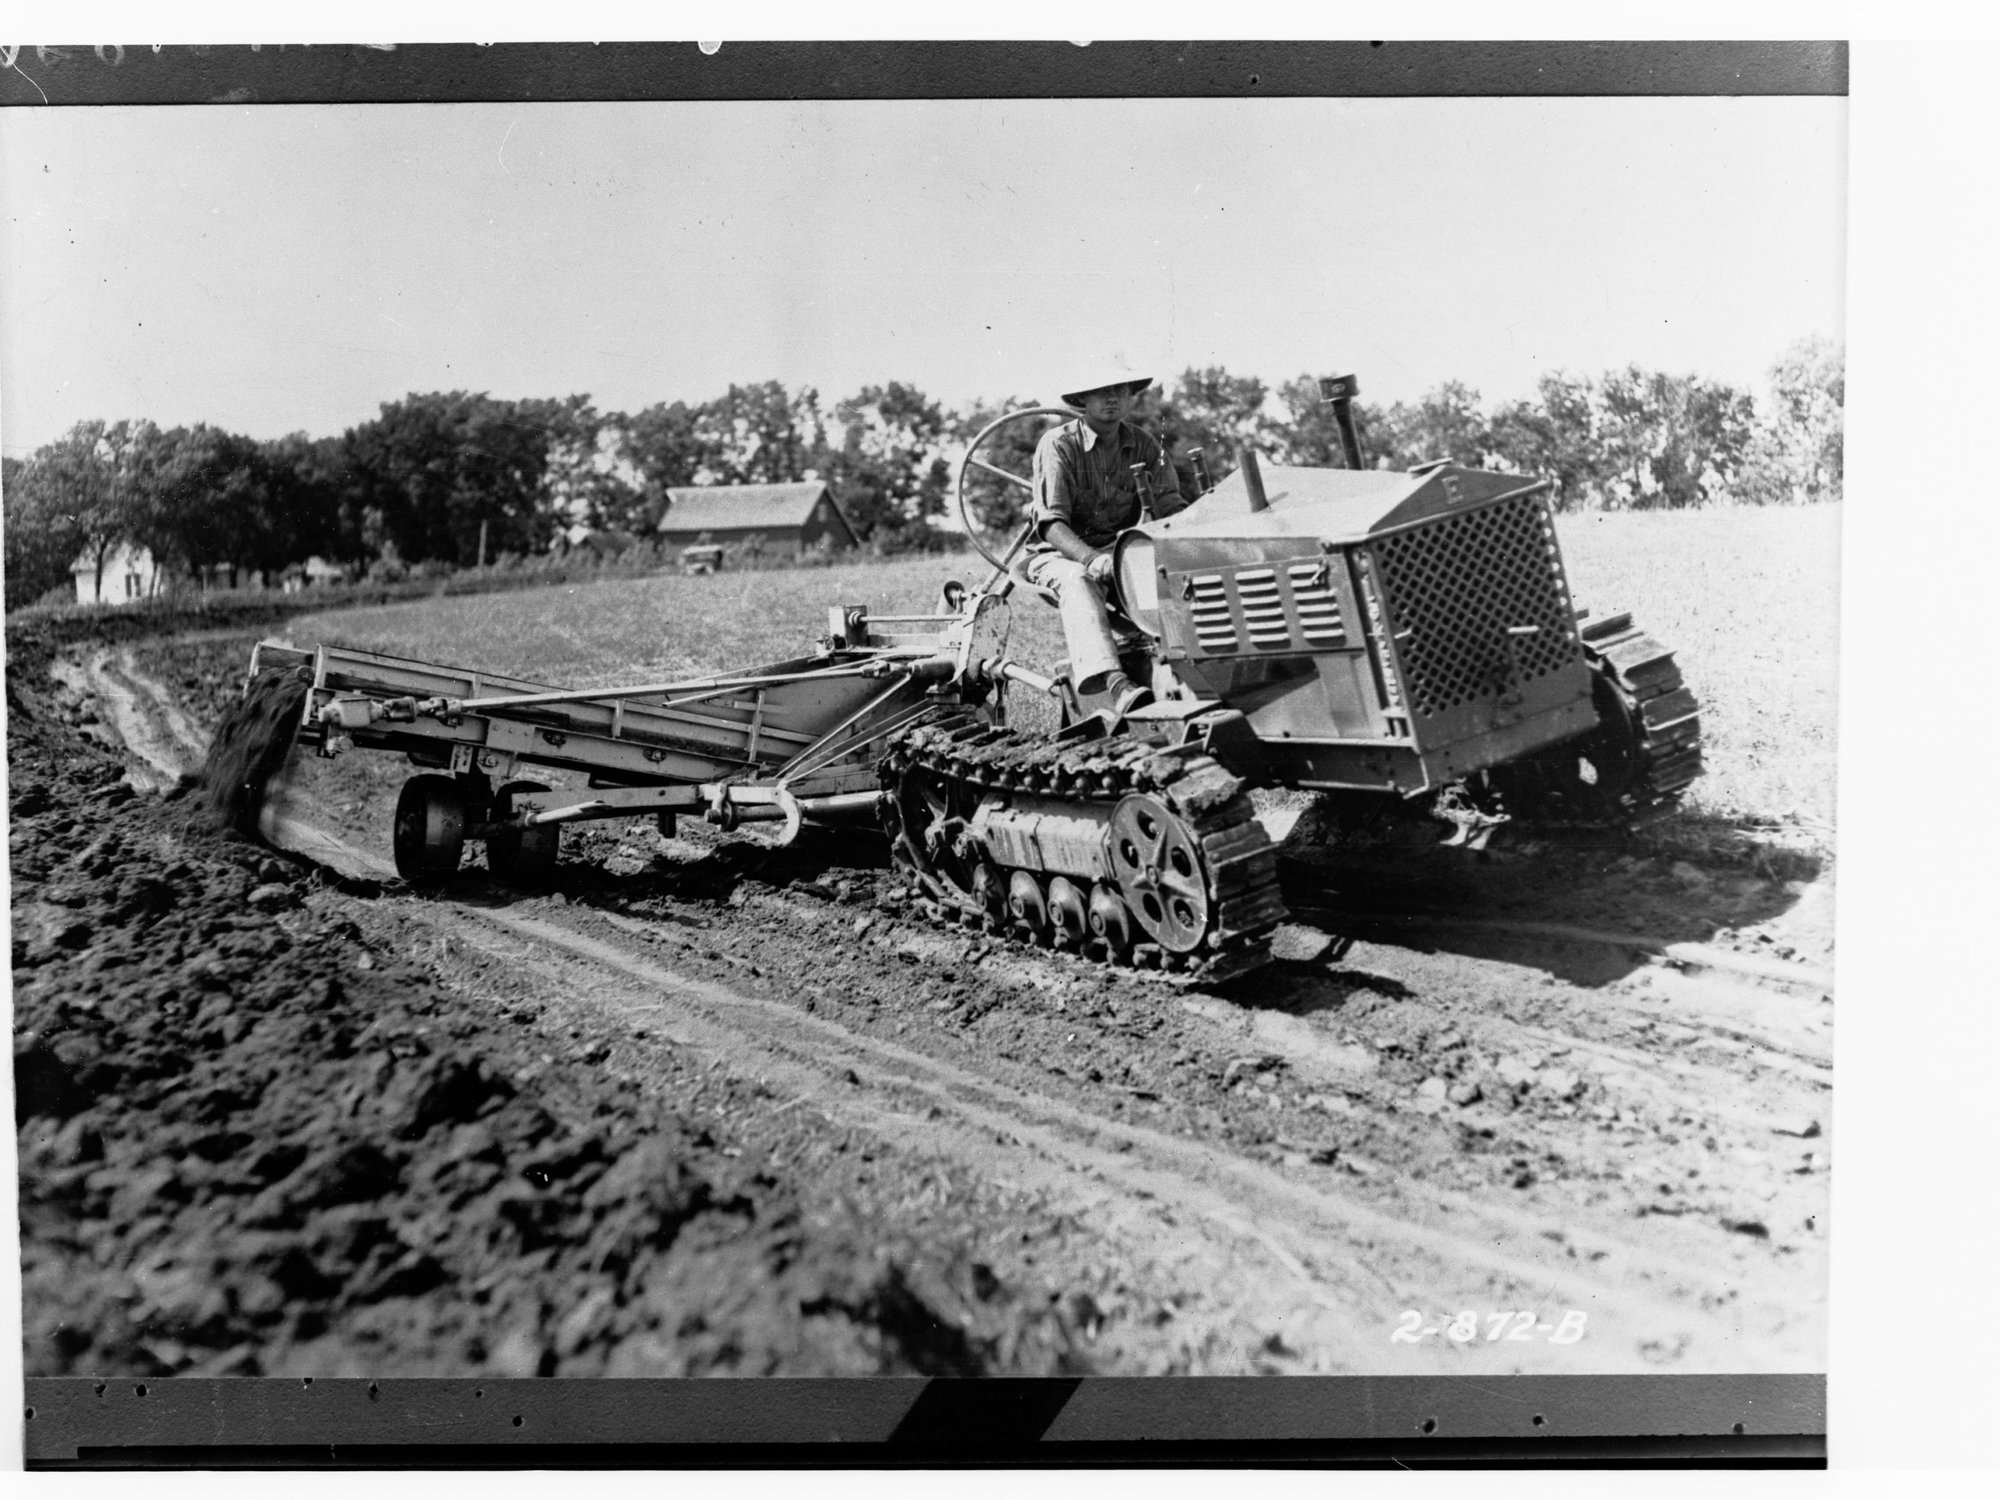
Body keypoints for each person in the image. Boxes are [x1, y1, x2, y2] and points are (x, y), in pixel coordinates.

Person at [1024, 369, 1192, 711]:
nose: (1112, 397)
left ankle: (1186, 673)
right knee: (1078, 579)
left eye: (1119, 389)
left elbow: (1171, 509)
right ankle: (1115, 684)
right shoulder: (1059, 445)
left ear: (1131, 395)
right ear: (1082, 400)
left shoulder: (1144, 444)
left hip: (1120, 552)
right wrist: (1091, 559)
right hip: (1062, 555)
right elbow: (1052, 525)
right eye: (1100, 391)